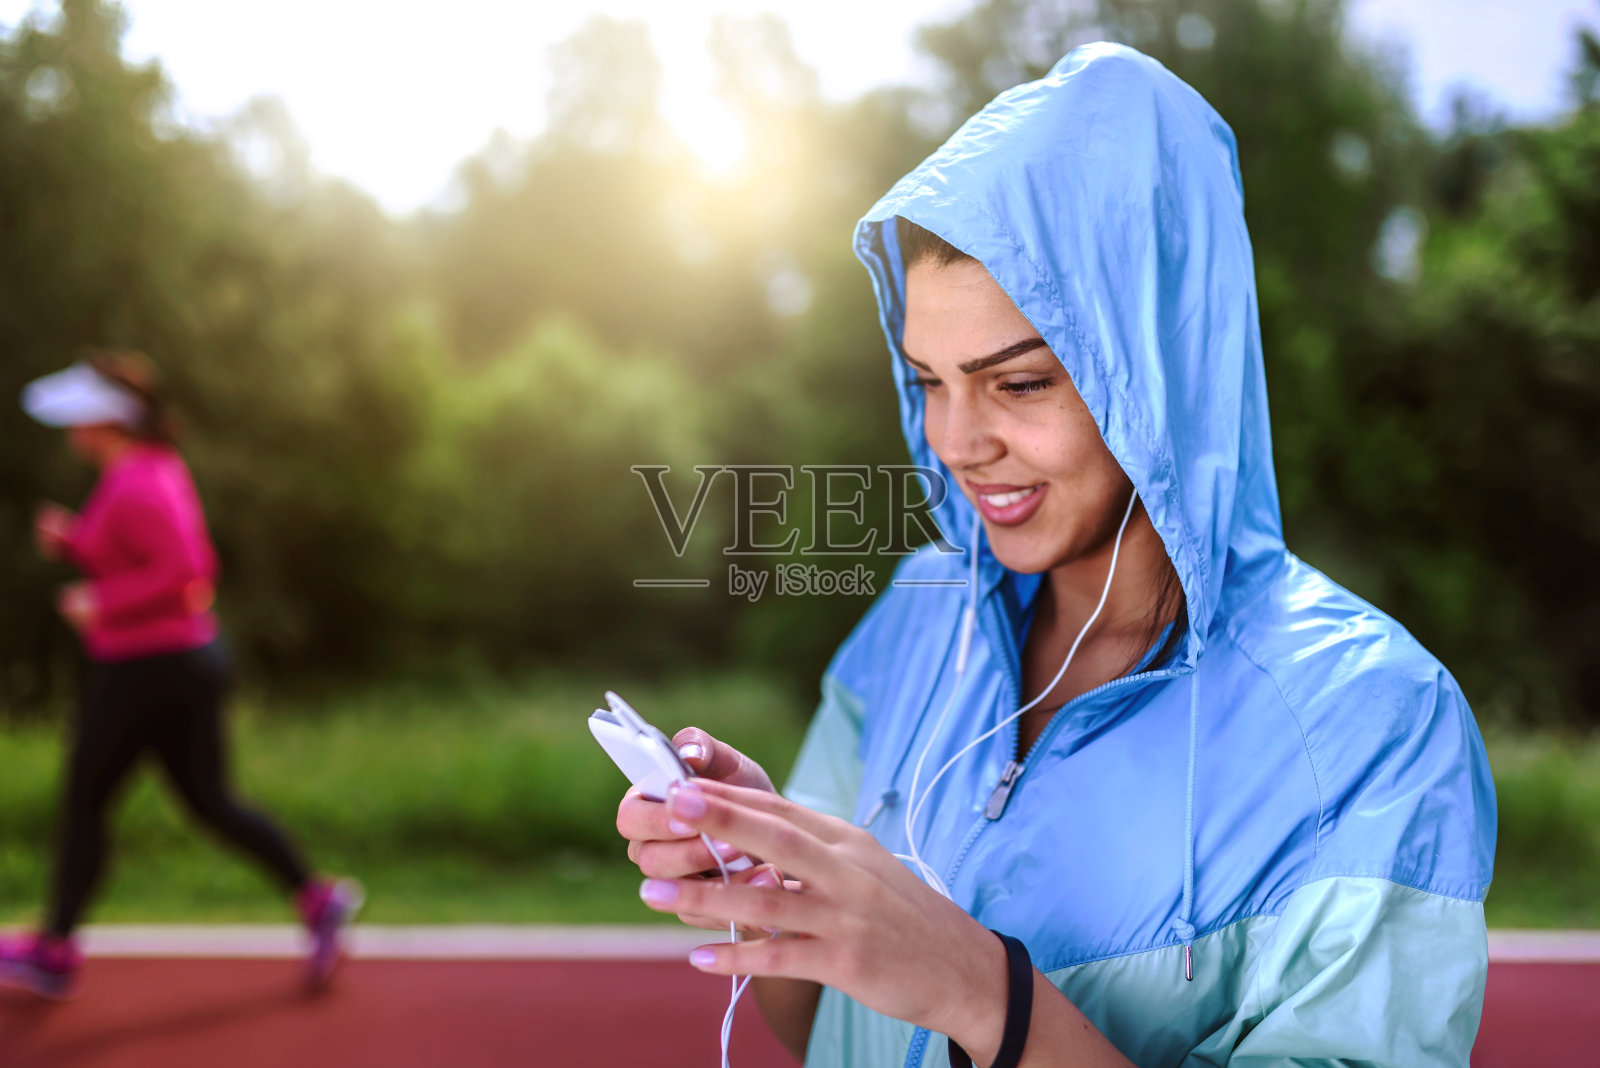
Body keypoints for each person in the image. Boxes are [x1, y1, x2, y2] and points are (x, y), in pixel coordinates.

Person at [616, 44, 1495, 1067]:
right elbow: (810, 1023)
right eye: (929, 380)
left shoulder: (1374, 724)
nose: (955, 440)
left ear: (1162, 366)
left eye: (1019, 383)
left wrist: (982, 993)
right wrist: (772, 880)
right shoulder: (919, 611)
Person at [0, 351, 362, 1000]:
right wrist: (78, 545)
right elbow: (141, 552)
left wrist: (101, 602)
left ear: (104, 422)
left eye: (77, 420)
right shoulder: (145, 470)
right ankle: (317, 899)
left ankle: (55, 950)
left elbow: (189, 570)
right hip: (177, 664)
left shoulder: (137, 480)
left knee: (86, 800)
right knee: (208, 801)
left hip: (148, 668)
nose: (70, 433)